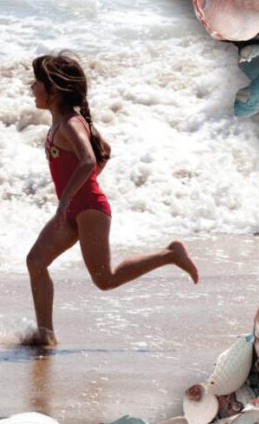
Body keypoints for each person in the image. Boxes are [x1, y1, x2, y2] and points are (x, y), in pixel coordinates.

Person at [24, 50, 199, 346]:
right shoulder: (63, 121)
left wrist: (68, 199)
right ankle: (46, 335)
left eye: (36, 82)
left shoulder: (70, 123)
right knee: (35, 261)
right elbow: (105, 149)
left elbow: (89, 160)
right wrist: (75, 194)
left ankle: (171, 254)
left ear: (53, 89)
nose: (31, 88)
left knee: (105, 279)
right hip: (77, 210)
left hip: (89, 209)